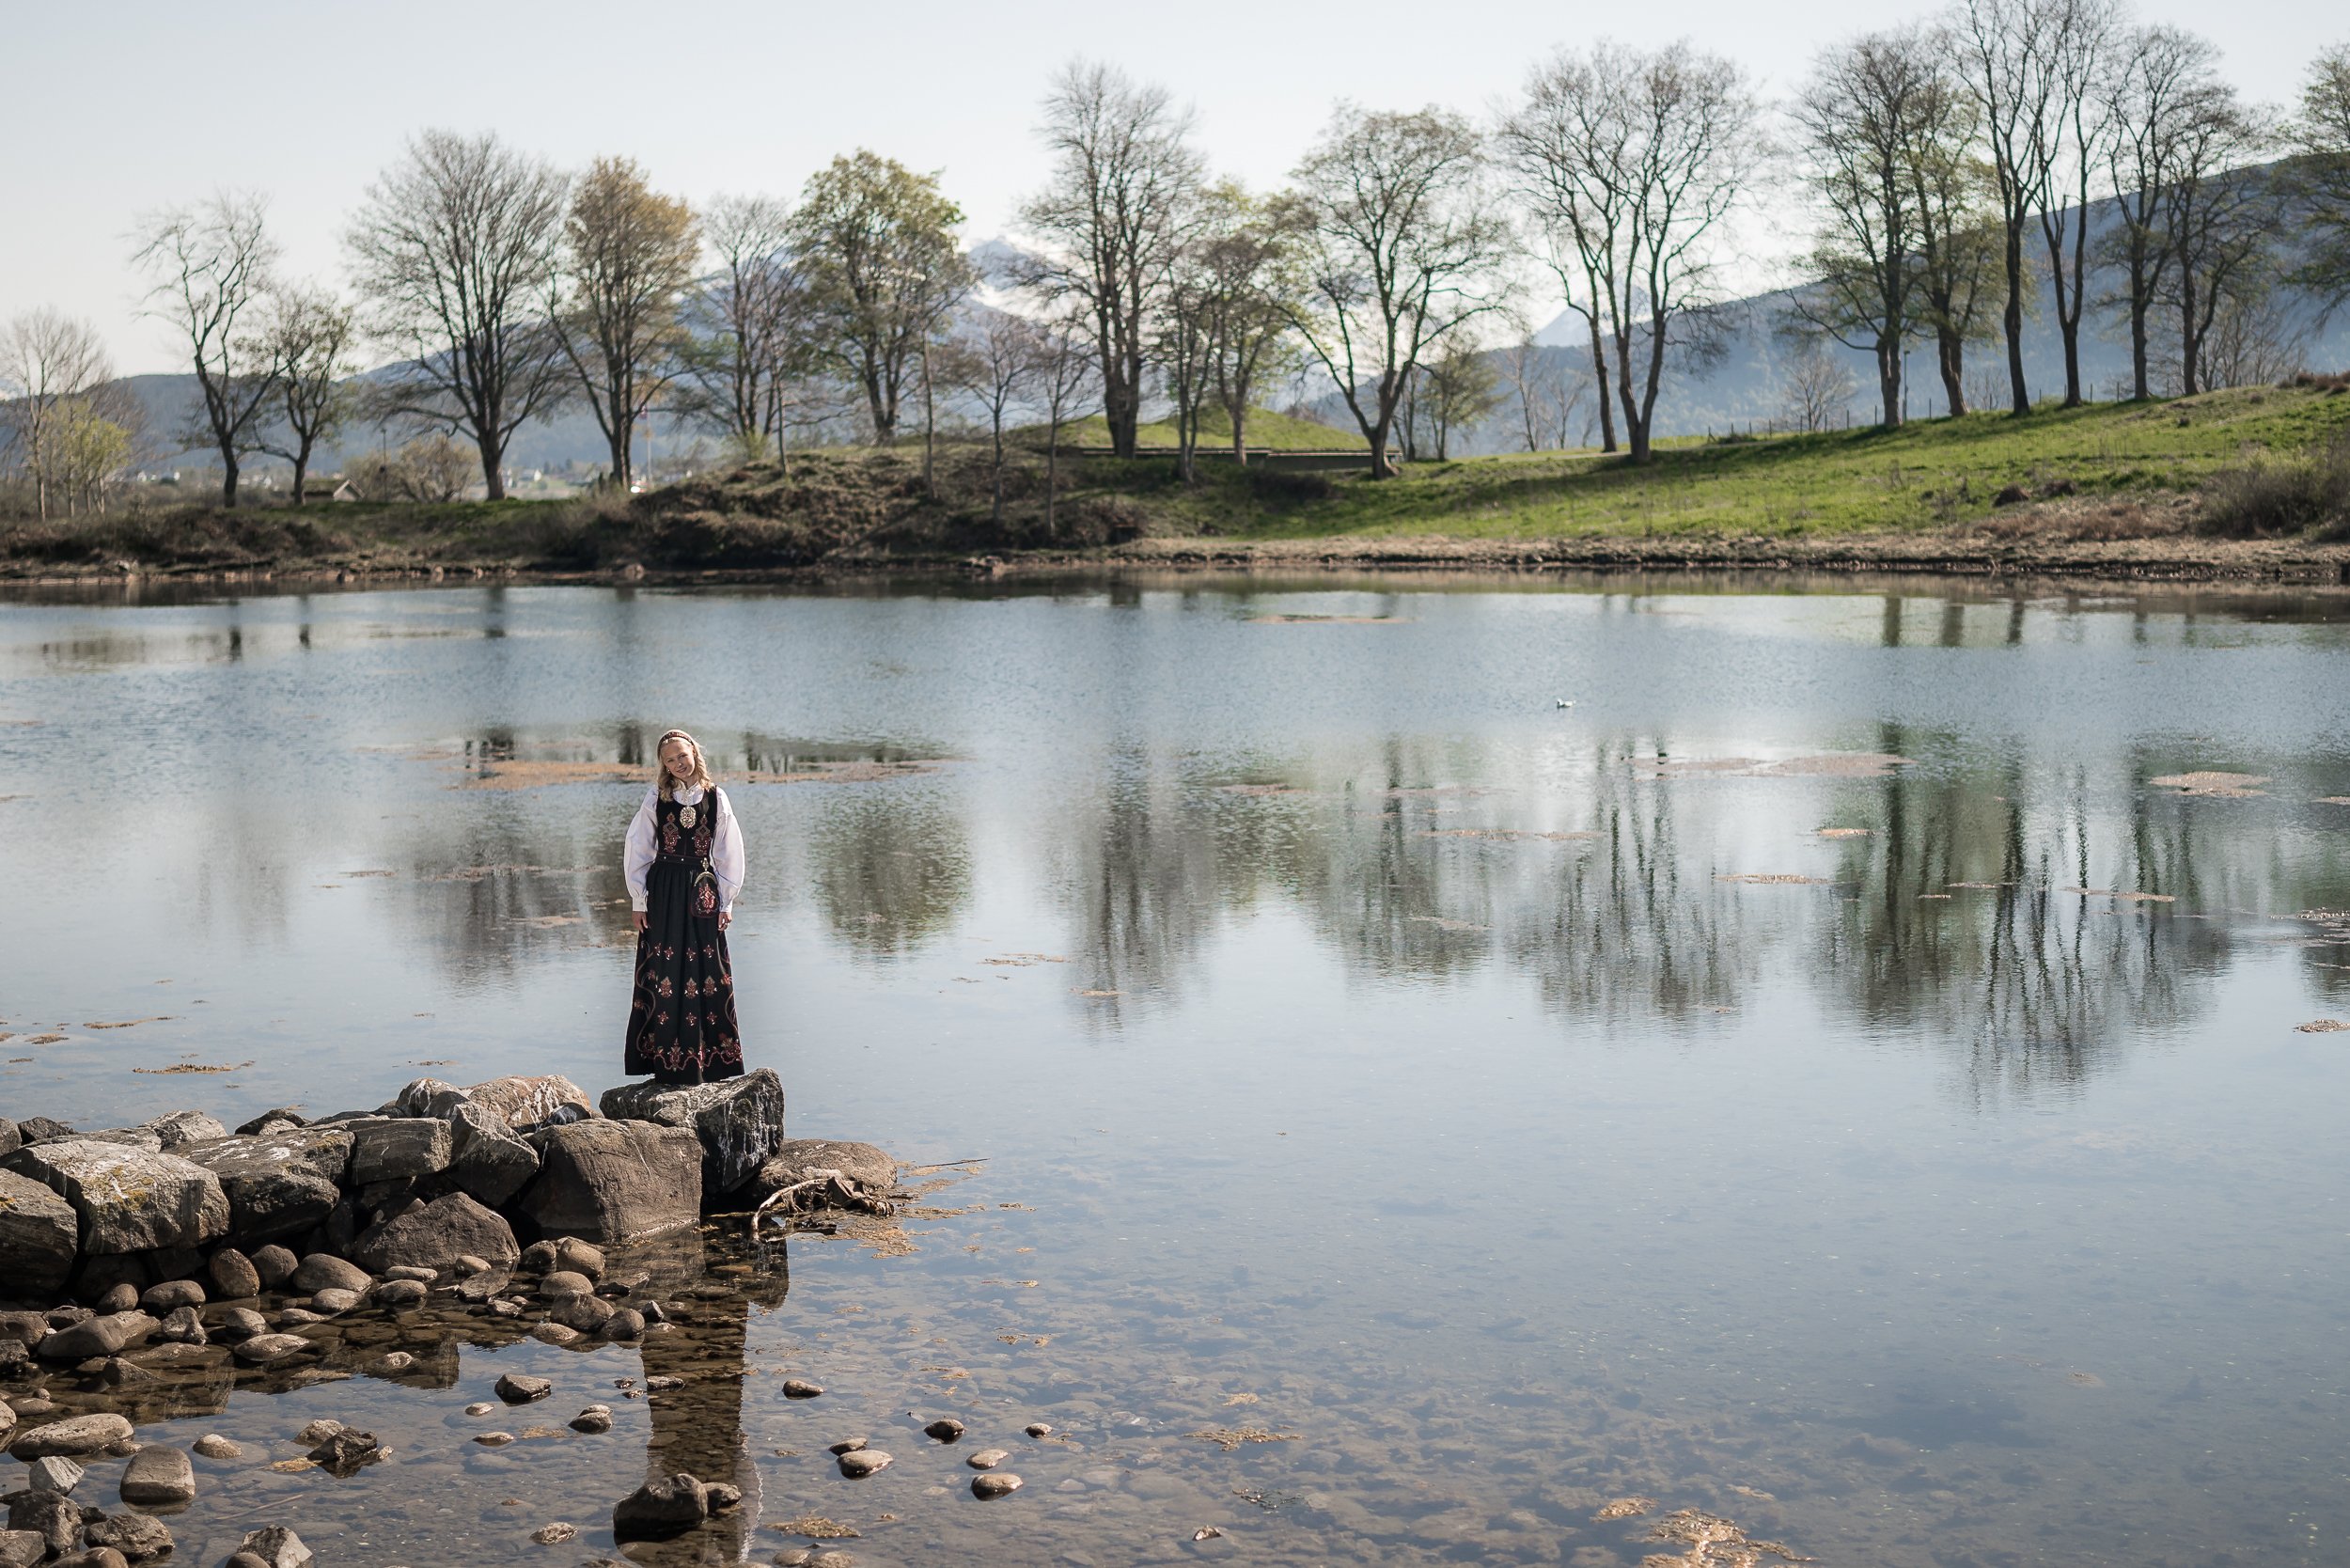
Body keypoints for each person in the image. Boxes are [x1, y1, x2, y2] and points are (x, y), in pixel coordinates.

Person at [622, 729, 745, 1084]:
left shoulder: (716, 797)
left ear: (694, 752)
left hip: (702, 891)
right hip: (664, 891)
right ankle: (665, 1060)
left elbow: (728, 851)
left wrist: (727, 900)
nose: (678, 763)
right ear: (664, 765)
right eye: (670, 760)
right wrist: (638, 899)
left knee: (707, 966)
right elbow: (640, 849)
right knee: (664, 966)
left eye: (682, 755)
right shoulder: (655, 799)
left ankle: (711, 1061)